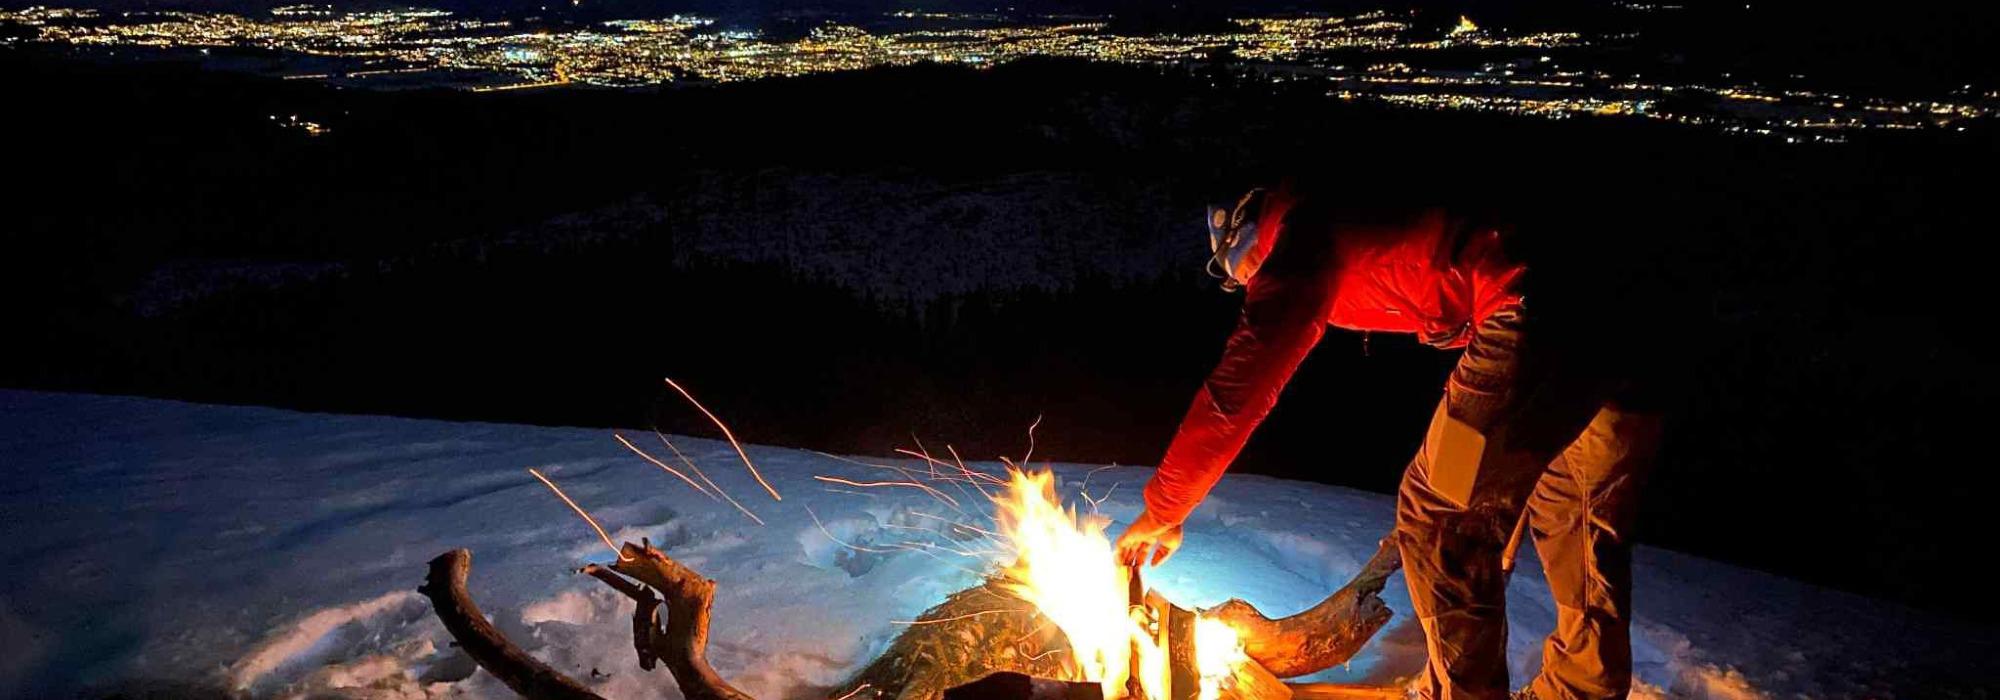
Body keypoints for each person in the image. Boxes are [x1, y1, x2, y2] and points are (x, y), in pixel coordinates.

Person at [1114, 183, 1664, 700]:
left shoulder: (1301, 236)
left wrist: (1164, 509)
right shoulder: (1353, 210)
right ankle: (1583, 686)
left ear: (1249, 241)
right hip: (1621, 300)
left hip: (1530, 306)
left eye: (1245, 275)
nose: (1252, 286)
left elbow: (1238, 389)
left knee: (1437, 514)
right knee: (1578, 509)